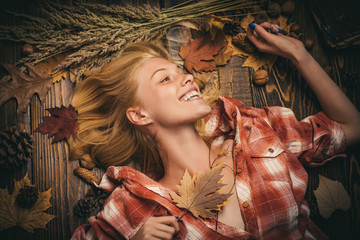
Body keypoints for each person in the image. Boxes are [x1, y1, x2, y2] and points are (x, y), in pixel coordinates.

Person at [70, 22, 360, 240]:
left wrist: (299, 55)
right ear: (139, 114)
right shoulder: (134, 207)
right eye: (165, 79)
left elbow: (352, 128)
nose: (188, 78)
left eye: (182, 72)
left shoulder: (252, 130)